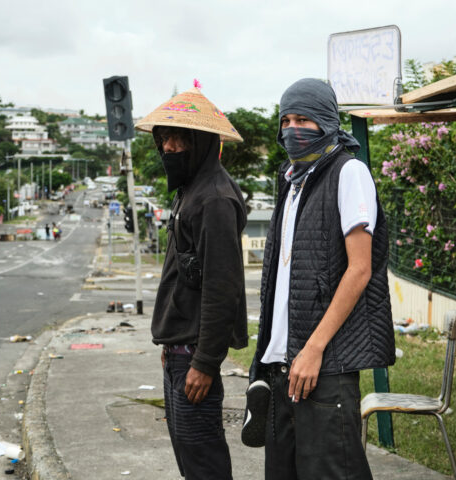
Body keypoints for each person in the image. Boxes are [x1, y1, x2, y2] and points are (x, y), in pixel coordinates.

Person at [246, 78, 395, 479]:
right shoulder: (293, 181)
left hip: (325, 368)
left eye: (304, 119)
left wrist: (314, 348)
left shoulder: (349, 173)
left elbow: (360, 268)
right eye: (287, 120)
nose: (293, 129)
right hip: (282, 368)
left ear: (327, 121)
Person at [135, 83, 249, 480]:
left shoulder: (214, 199)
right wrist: (172, 343)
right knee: (189, 457)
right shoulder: (191, 191)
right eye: (165, 139)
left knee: (204, 462)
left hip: (194, 360)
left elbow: (224, 287)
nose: (169, 148)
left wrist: (204, 361)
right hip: (179, 352)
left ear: (201, 144)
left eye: (180, 140)